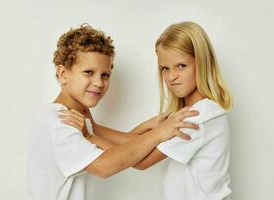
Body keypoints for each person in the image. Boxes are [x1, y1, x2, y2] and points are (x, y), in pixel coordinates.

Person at [27, 24, 199, 200]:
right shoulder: (60, 120)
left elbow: (121, 151)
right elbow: (105, 166)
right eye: (89, 72)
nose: (99, 83)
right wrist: (157, 134)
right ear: (63, 74)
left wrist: (150, 127)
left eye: (105, 75)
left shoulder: (77, 119)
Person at [64, 21, 233, 200]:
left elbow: (141, 160)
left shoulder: (200, 115)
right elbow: (139, 145)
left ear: (202, 62)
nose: (172, 76)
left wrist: (90, 136)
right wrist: (94, 127)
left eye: (181, 66)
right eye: (164, 69)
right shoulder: (186, 113)